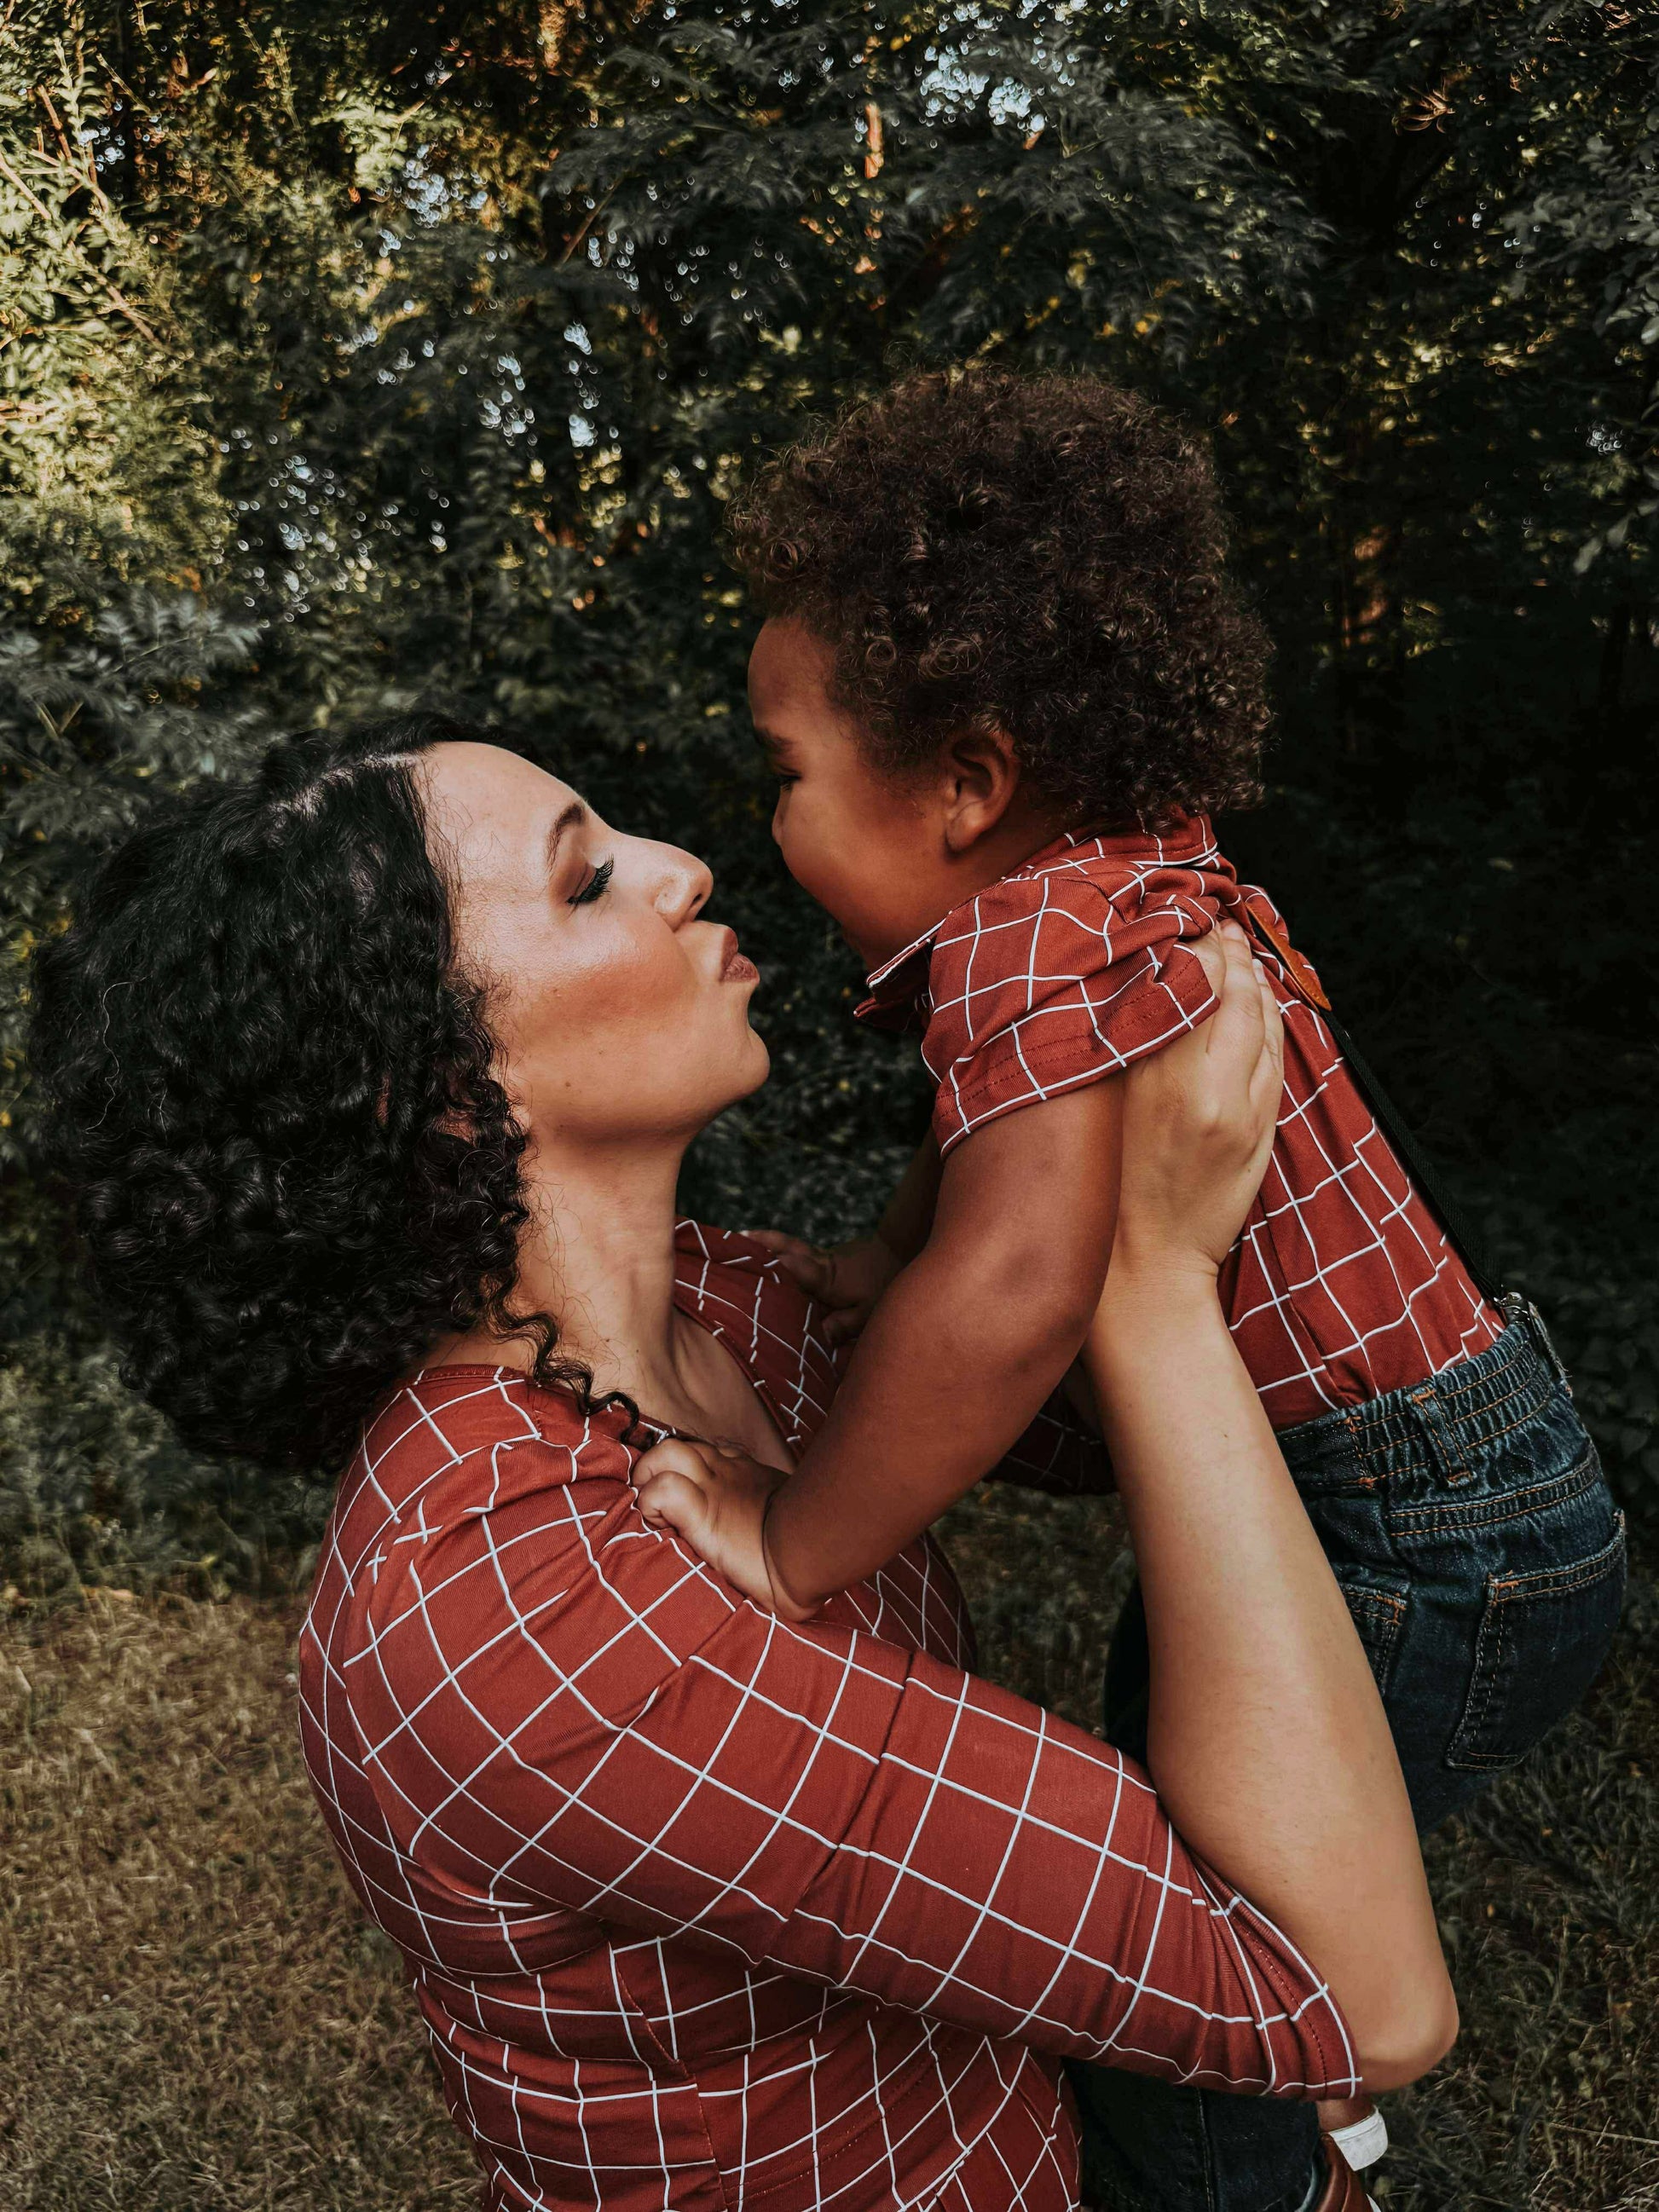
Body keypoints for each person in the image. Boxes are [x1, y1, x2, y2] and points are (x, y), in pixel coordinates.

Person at [30, 719, 1453, 2212]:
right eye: (587, 881)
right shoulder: (518, 1616)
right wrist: (1153, 1289)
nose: (682, 868)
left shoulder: (743, 1312)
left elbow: (1206, 1437)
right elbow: (1361, 2000)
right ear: (442, 1093)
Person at [635, 369, 1626, 2209]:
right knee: (1200, 1846)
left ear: (966, 782)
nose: (764, 825)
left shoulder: (1028, 946)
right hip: (1464, 1469)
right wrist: (878, 1261)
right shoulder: (1114, 877)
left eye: (784, 773)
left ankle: (1251, 2168)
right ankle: (1308, 2148)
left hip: (1405, 1529)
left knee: (1213, 1958)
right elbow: (992, 1164)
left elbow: (1016, 1286)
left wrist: (788, 1540)